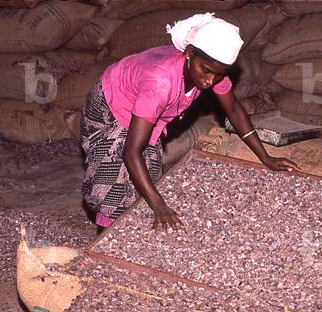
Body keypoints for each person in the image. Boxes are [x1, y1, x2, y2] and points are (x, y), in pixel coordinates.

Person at [80, 13, 299, 232]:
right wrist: (160, 207)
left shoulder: (212, 71)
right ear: (189, 53)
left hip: (143, 104)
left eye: (218, 75)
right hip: (111, 105)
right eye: (205, 70)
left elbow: (233, 109)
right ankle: (105, 238)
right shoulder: (160, 82)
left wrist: (266, 158)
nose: (209, 81)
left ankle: (131, 228)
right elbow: (131, 152)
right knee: (113, 179)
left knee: (148, 170)